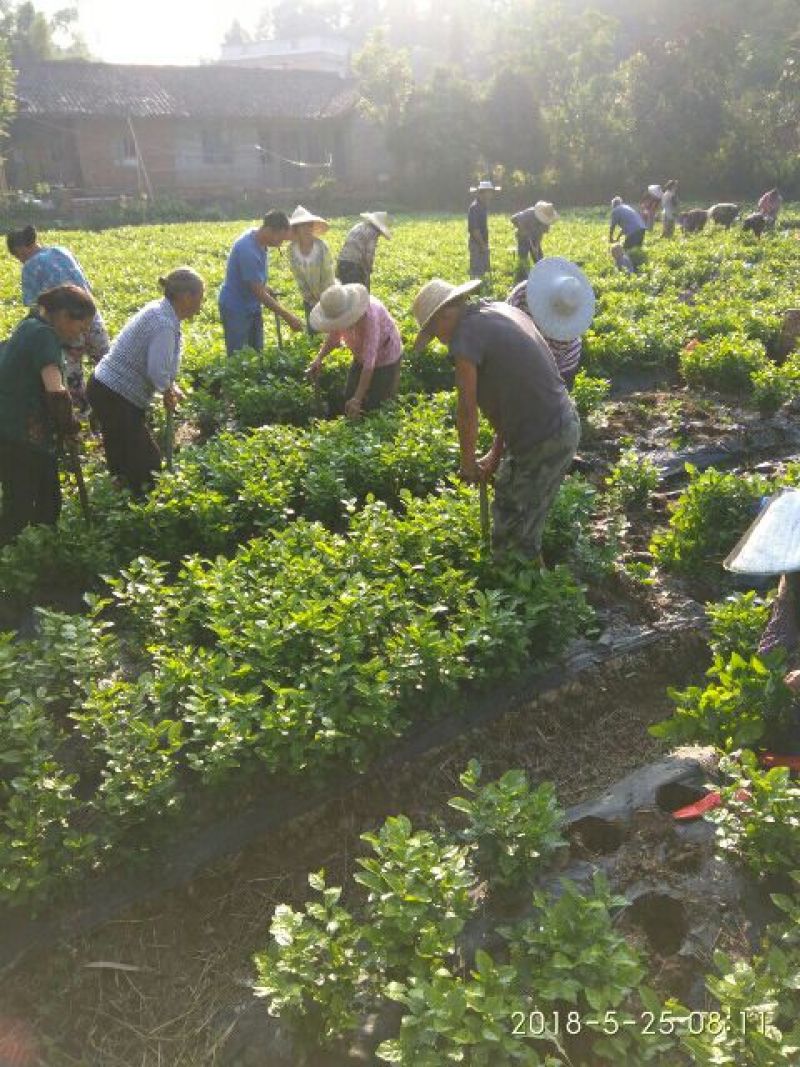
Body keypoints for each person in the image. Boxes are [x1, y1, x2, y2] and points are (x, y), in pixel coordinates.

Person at [412, 277, 580, 560]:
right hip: (559, 425)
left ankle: (523, 592)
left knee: (513, 535)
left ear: (445, 314)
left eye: (434, 331)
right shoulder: (498, 311)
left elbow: (466, 409)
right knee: (516, 511)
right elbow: (511, 393)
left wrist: (467, 463)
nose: (439, 340)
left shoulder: (465, 336)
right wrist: (495, 452)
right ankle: (526, 584)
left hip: (544, 435)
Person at [87, 269, 204, 496]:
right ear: (187, 297)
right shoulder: (164, 323)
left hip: (107, 388)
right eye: (200, 296)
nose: (201, 304)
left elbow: (161, 368)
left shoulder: (160, 311)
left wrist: (170, 386)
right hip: (115, 393)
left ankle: (123, 498)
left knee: (122, 451)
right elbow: (157, 370)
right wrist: (167, 389)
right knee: (146, 463)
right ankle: (143, 508)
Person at [0, 285, 93, 545]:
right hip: (21, 431)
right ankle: (16, 560)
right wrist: (69, 426)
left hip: (11, 426)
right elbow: (55, 390)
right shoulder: (44, 336)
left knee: (40, 495)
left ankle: (36, 552)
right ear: (64, 316)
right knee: (23, 504)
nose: (81, 334)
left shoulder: (30, 322)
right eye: (81, 326)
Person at [6, 225, 110, 405]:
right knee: (108, 366)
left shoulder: (30, 266)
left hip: (67, 326)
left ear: (22, 249)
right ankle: (111, 408)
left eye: (18, 255)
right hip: (91, 317)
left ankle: (82, 418)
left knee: (73, 379)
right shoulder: (62, 251)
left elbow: (36, 307)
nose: (20, 260)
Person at [306, 284, 402, 419]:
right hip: (360, 355)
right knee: (349, 397)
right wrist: (319, 358)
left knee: (376, 405)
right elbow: (334, 337)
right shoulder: (338, 313)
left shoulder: (370, 316)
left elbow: (369, 363)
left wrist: (357, 399)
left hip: (386, 356)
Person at [218, 210, 303, 357]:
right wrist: (288, 316)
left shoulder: (259, 240)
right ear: (269, 230)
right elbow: (258, 292)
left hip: (251, 305)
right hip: (236, 307)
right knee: (239, 356)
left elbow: (254, 281)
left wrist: (265, 287)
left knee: (256, 352)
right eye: (280, 238)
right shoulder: (247, 249)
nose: (280, 243)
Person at [506, 257, 596, 391]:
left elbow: (550, 370)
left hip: (561, 363)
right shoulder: (524, 292)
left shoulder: (567, 337)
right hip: (519, 352)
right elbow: (505, 324)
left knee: (556, 402)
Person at [287, 205, 335, 333]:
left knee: (329, 329)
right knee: (313, 330)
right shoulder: (292, 249)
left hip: (327, 294)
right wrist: (309, 297)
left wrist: (323, 296)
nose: (306, 229)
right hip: (308, 297)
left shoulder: (321, 247)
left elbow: (328, 274)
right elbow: (298, 276)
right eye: (302, 226)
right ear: (296, 229)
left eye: (309, 225)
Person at [336, 212, 391, 290]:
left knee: (345, 292)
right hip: (354, 266)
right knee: (358, 294)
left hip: (342, 262)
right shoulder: (372, 232)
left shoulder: (359, 226)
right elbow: (368, 254)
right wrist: (368, 271)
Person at [510, 201, 558, 283]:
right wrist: (522, 229)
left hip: (535, 237)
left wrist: (536, 245)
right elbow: (513, 219)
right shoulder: (529, 213)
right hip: (523, 237)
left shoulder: (547, 222)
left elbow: (542, 234)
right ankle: (522, 277)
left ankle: (541, 275)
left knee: (539, 257)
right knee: (523, 257)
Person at [467, 180, 500, 280]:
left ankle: (483, 290)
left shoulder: (483, 206)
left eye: (491, 192)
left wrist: (485, 244)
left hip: (483, 243)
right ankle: (475, 292)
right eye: (489, 192)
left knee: (484, 270)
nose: (490, 195)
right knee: (477, 272)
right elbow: (474, 229)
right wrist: (482, 245)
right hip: (477, 244)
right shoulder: (474, 208)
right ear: (482, 193)